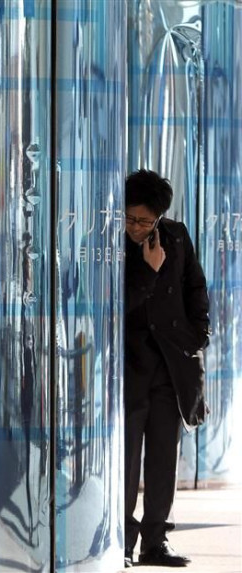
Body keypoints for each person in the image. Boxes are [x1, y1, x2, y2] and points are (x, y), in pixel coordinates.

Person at [123, 169, 210, 568]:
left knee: (163, 458)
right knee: (126, 459)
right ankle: (121, 540)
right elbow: (116, 302)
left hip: (171, 364)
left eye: (145, 221)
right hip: (130, 365)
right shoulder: (110, 243)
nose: (137, 228)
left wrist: (199, 333)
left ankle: (155, 542)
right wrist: (148, 269)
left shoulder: (175, 235)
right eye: (132, 218)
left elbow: (195, 285)